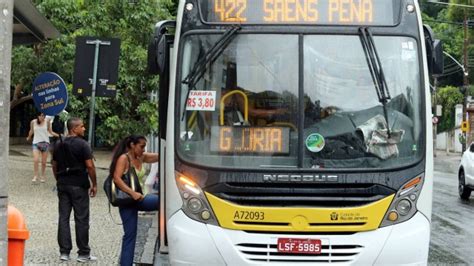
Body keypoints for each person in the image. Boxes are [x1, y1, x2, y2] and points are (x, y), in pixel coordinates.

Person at [51, 117, 98, 262]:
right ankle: (83, 253)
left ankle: (64, 252)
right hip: (79, 185)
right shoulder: (83, 145)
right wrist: (94, 184)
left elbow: (54, 164)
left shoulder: (59, 143)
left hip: (63, 184)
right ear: (74, 129)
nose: (84, 129)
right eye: (82, 126)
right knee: (81, 218)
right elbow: (90, 166)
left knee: (63, 218)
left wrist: (58, 179)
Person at [109, 135, 159, 266]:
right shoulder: (124, 158)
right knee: (130, 235)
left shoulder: (141, 157)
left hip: (141, 199)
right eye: (141, 146)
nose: (143, 149)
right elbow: (117, 178)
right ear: (132, 145)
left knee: (163, 201)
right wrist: (133, 193)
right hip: (127, 201)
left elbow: (160, 155)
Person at [26, 112, 59, 183]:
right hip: (36, 143)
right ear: (38, 116)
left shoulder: (47, 122)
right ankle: (35, 176)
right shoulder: (33, 122)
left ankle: (43, 176)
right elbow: (31, 131)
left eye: (44, 116)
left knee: (44, 162)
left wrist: (59, 136)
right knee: (36, 160)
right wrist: (29, 137)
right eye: (41, 116)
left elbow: (51, 132)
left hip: (45, 143)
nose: (43, 117)